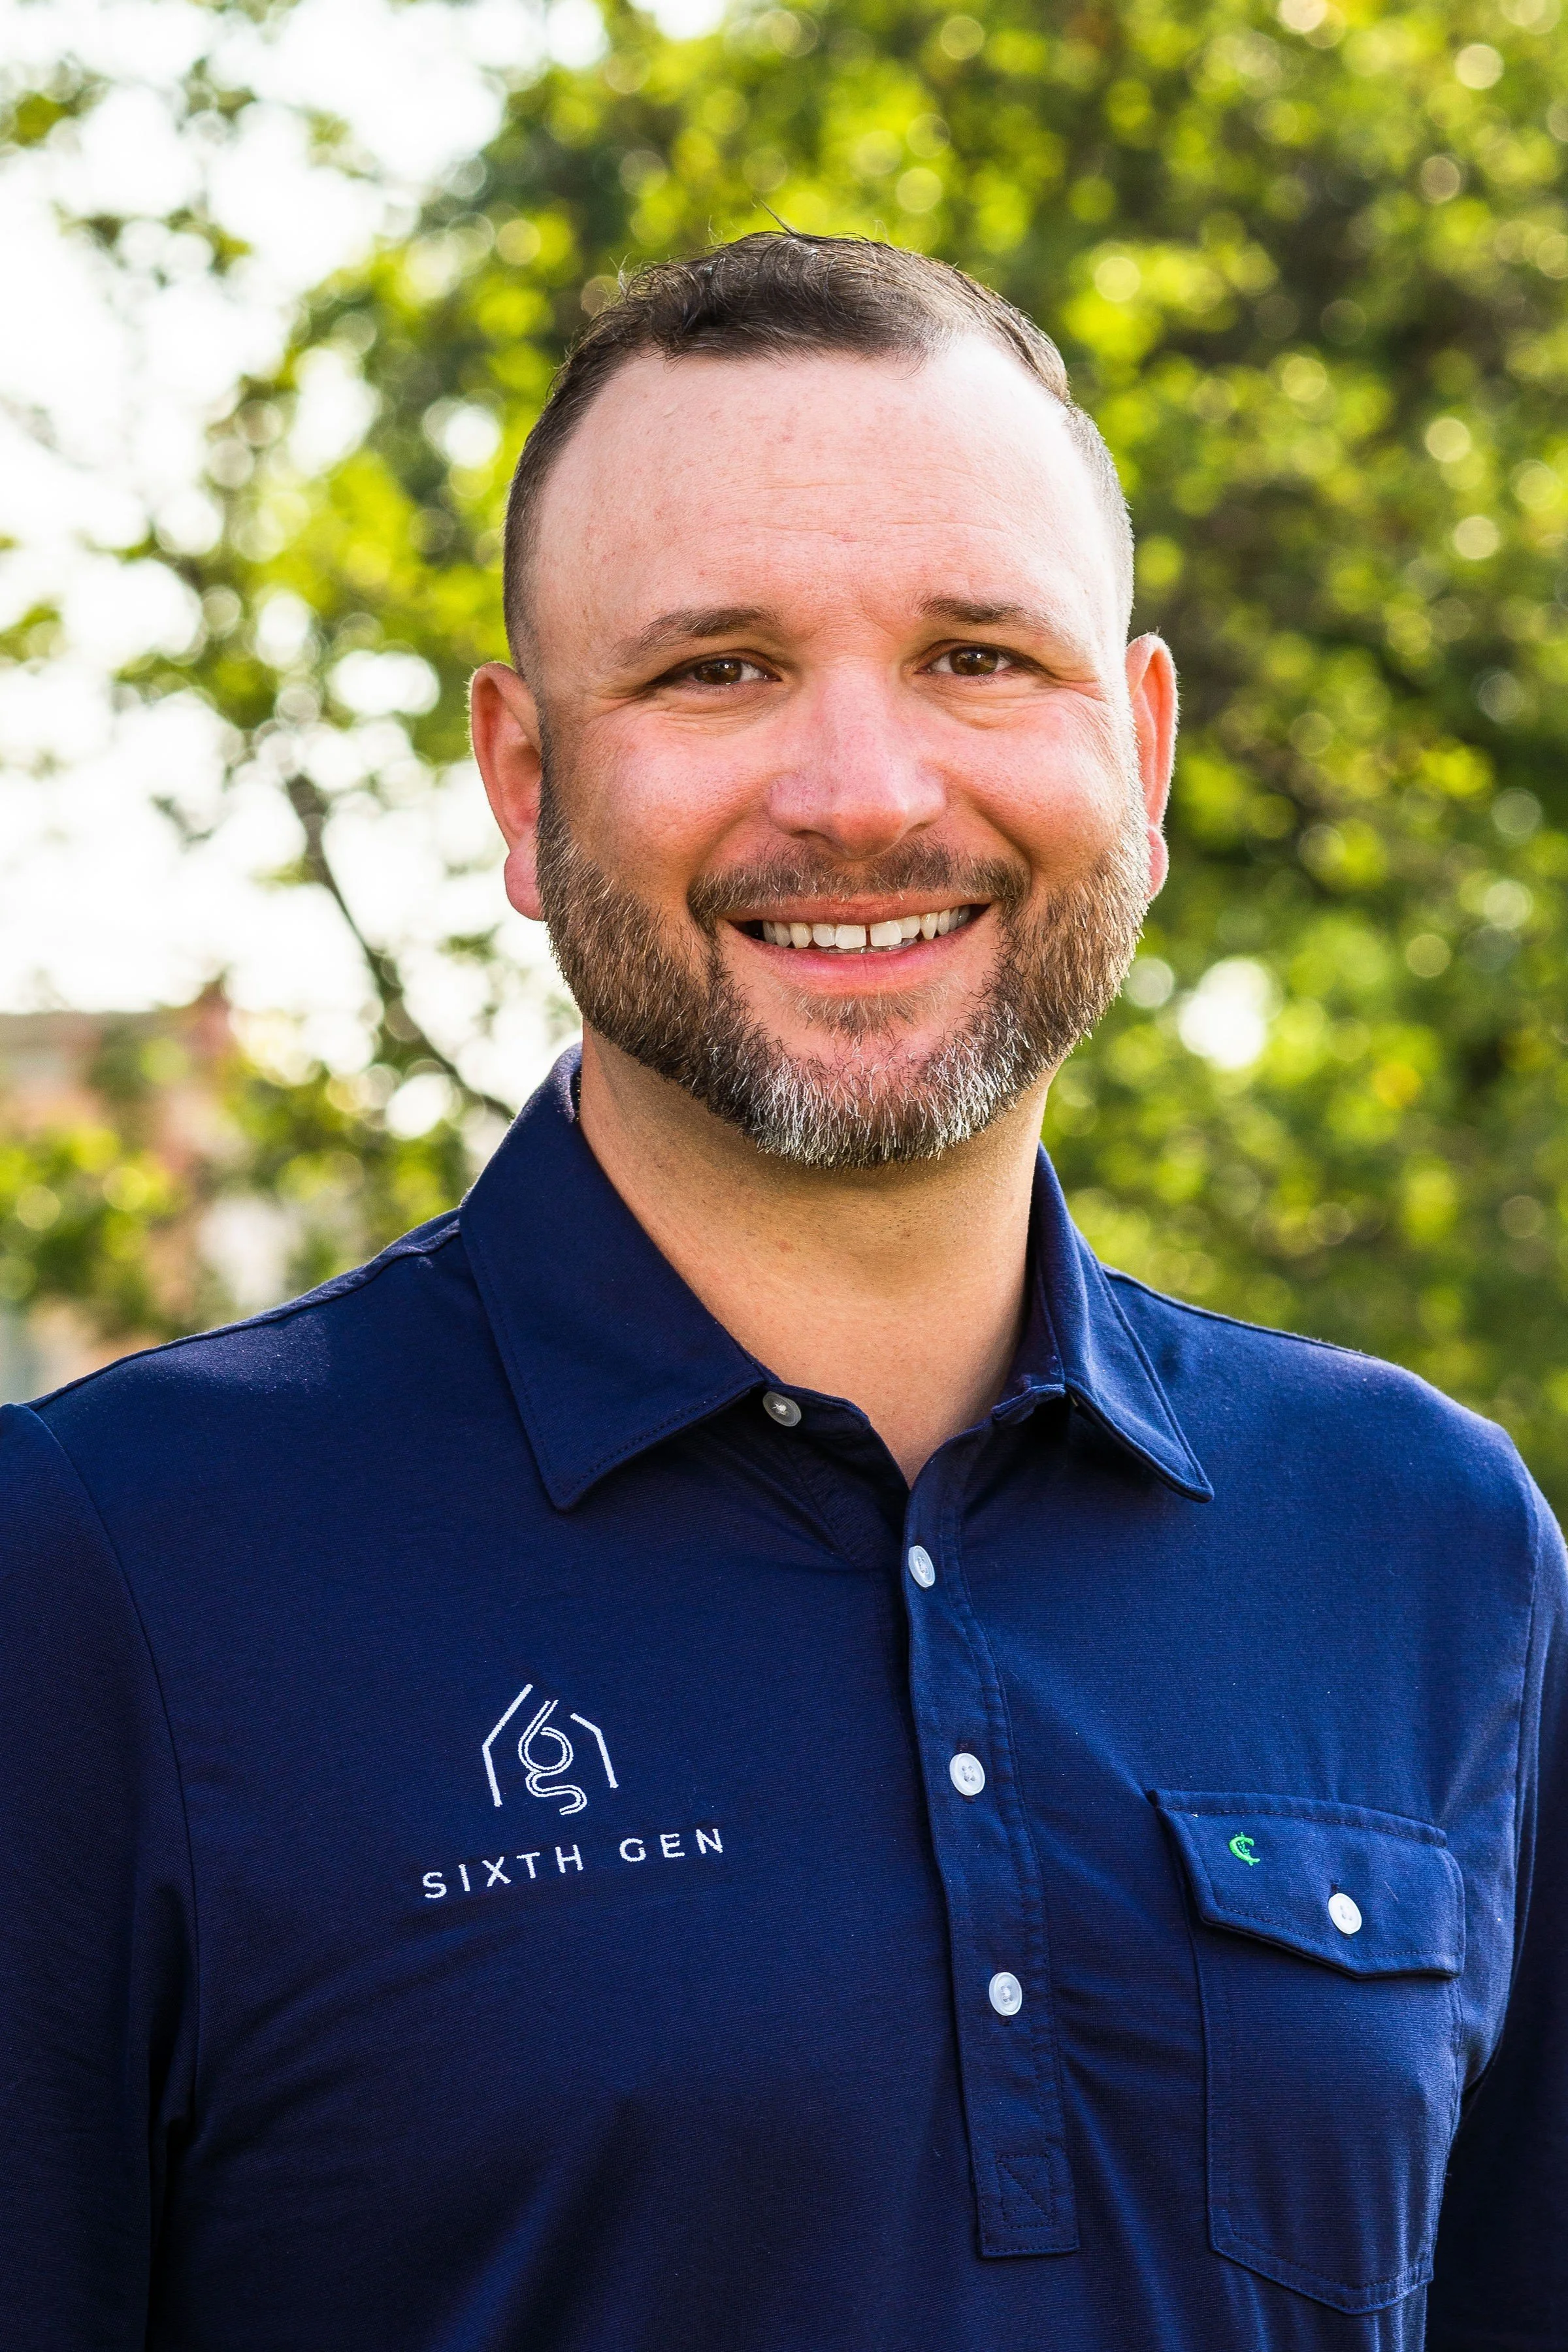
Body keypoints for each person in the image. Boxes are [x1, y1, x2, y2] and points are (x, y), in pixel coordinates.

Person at [1, 233, 1561, 2352]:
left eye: (980, 657)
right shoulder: (104, 1572)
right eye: (717, 667)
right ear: (529, 787)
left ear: (1147, 751)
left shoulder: (1430, 1548)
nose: (864, 792)